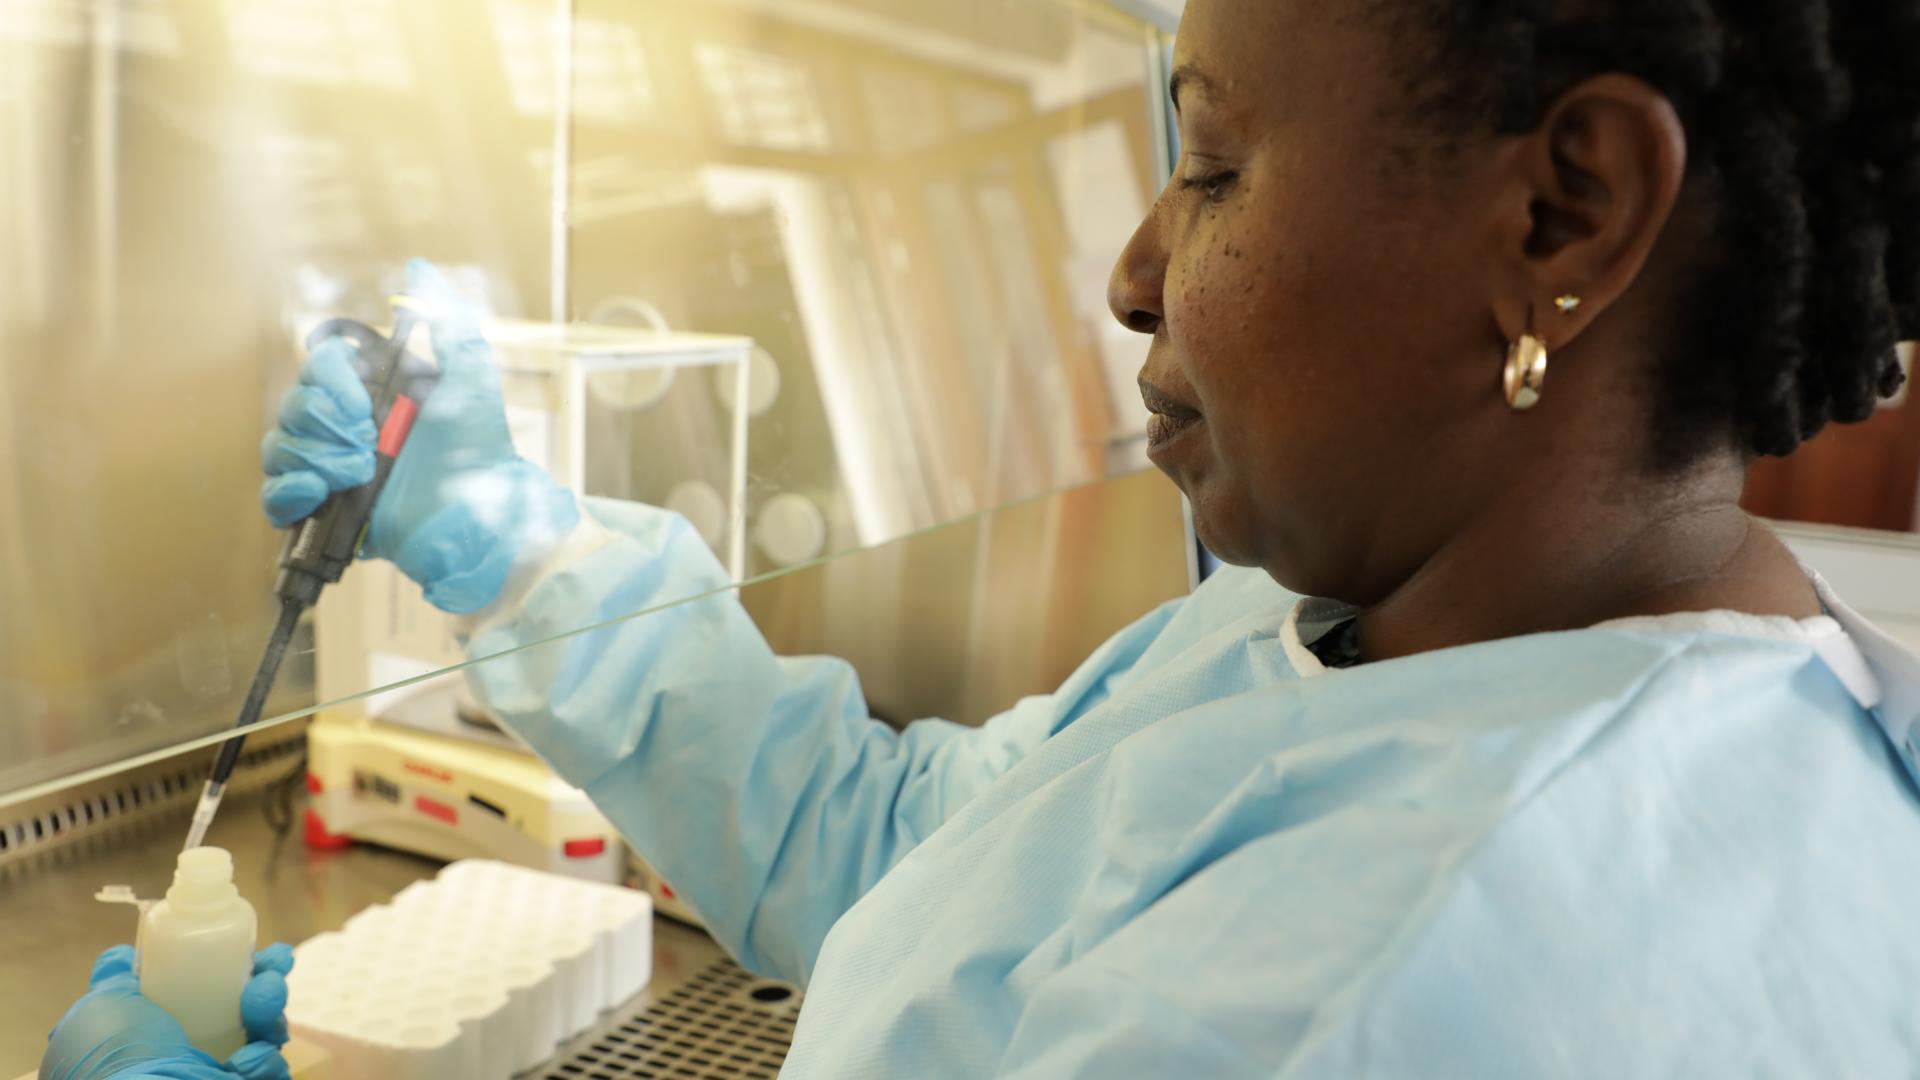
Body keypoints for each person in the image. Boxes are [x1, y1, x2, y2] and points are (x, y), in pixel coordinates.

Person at [52, 0, 1920, 1075]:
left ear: (1564, 213)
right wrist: (512, 550)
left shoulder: (1382, 997)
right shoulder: (1392, 638)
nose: (1133, 273)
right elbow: (932, 868)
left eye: (1210, 163)